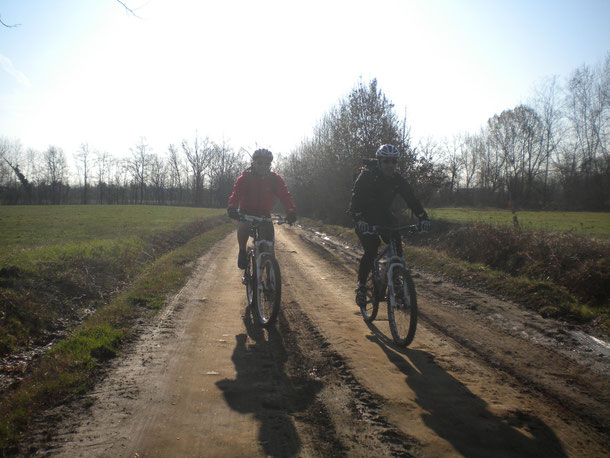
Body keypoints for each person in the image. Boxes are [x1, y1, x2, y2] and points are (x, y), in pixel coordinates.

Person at [349, 144, 430, 307]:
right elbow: (355, 201)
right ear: (379, 162)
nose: (390, 165)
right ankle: (362, 287)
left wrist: (422, 217)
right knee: (371, 250)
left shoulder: (397, 179)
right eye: (386, 161)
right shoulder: (366, 176)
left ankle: (396, 277)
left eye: (393, 161)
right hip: (365, 218)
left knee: (397, 248)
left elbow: (411, 198)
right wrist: (358, 219)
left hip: (385, 217)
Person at [227, 148, 297, 269]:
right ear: (253, 163)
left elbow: (285, 195)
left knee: (269, 245)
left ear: (270, 165)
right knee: (244, 225)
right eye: (259, 162)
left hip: (264, 214)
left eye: (267, 163)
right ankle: (242, 251)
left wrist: (291, 211)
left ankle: (270, 273)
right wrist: (232, 208)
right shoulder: (245, 178)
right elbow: (236, 194)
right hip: (247, 212)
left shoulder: (275, 179)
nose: (263, 166)